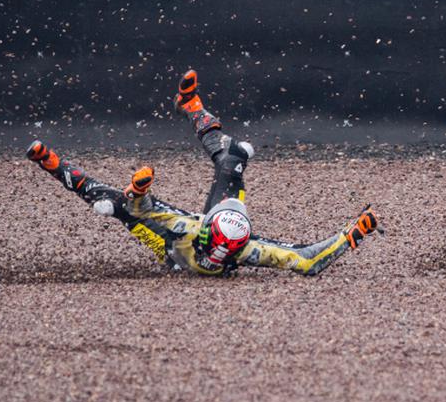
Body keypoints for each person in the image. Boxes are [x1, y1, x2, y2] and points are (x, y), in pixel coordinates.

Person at [26, 70, 379, 276]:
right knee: (232, 160)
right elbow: (307, 260)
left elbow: (142, 212)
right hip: (200, 247)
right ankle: (191, 105)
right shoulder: (247, 250)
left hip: (170, 250)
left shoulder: (188, 228)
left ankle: (49, 162)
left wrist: (137, 191)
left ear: (209, 227)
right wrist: (350, 236)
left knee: (112, 203)